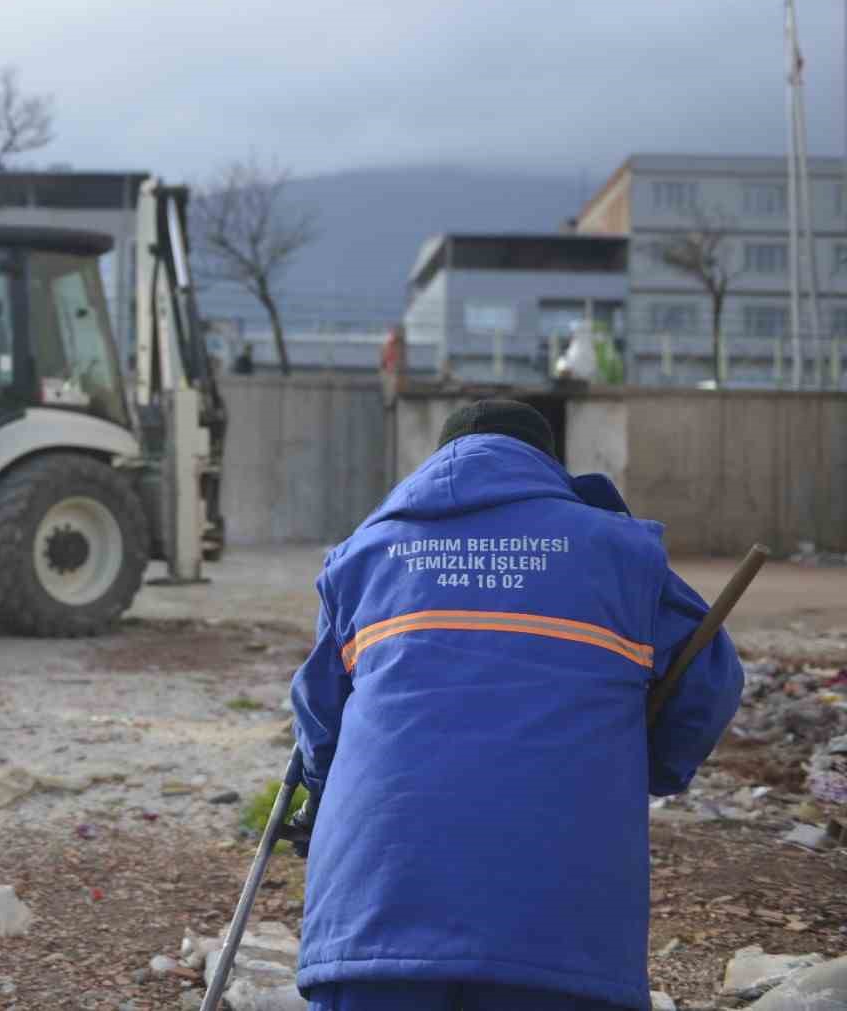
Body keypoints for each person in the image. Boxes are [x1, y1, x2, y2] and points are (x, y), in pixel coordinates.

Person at [284, 399, 744, 1011]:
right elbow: (709, 681)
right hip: (558, 925)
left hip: (372, 914)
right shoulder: (618, 552)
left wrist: (319, 795)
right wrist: (651, 762)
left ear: (437, 461)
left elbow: (319, 719)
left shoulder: (365, 556)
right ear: (545, 465)